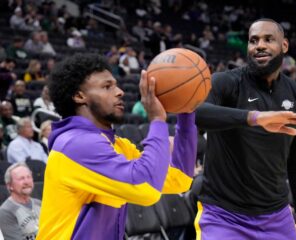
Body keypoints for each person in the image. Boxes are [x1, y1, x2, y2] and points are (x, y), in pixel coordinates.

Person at [36, 53, 197, 239]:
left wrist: (186, 112)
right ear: (79, 96)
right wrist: (157, 120)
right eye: (107, 86)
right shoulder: (76, 144)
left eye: (116, 84)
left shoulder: (117, 145)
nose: (120, 91)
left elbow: (180, 180)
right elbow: (147, 189)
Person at [195, 18, 296, 239]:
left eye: (269, 39)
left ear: (284, 46)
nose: (260, 45)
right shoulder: (226, 82)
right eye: (253, 40)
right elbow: (196, 113)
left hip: (276, 215)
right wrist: (255, 117)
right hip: (224, 215)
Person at [0, 163, 42, 240]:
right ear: (10, 186)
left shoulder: (39, 203)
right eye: (21, 178)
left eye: (29, 177)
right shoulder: (5, 212)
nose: (27, 182)